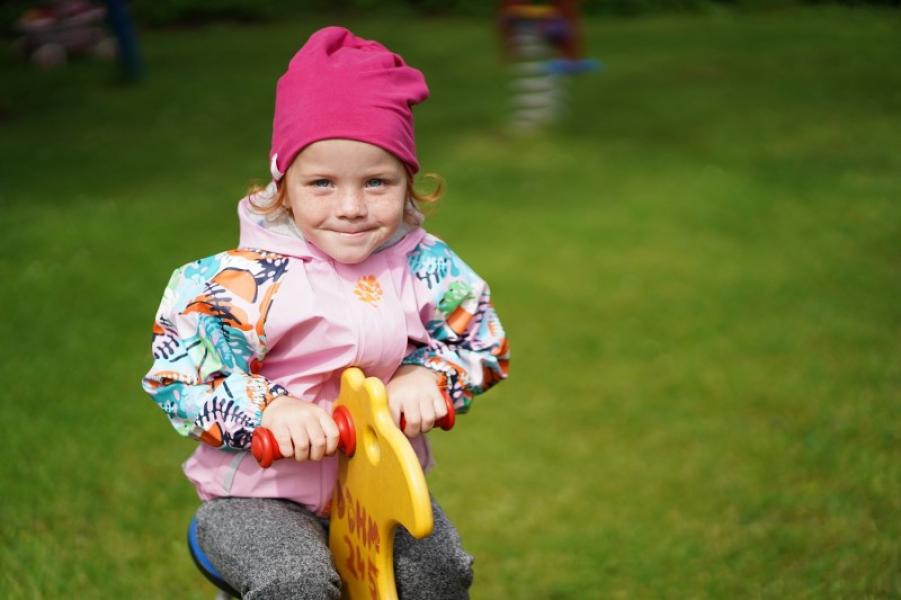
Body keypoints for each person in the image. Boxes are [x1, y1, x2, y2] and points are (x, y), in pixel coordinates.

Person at [142, 26, 509, 600]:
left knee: (435, 573)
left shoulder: (427, 266)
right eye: (322, 183)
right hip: (257, 496)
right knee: (297, 582)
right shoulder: (235, 282)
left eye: (377, 182)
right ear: (283, 183)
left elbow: (481, 343)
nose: (351, 207)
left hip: (377, 488)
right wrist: (268, 408)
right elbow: (178, 377)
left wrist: (431, 376)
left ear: (409, 182)